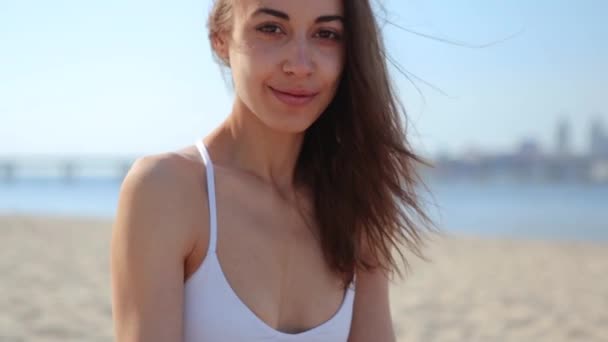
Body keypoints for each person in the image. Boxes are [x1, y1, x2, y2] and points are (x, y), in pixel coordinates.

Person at [110, 0, 434, 341]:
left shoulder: (355, 200)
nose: (299, 65)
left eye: (326, 34)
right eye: (271, 28)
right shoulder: (167, 190)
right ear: (221, 39)